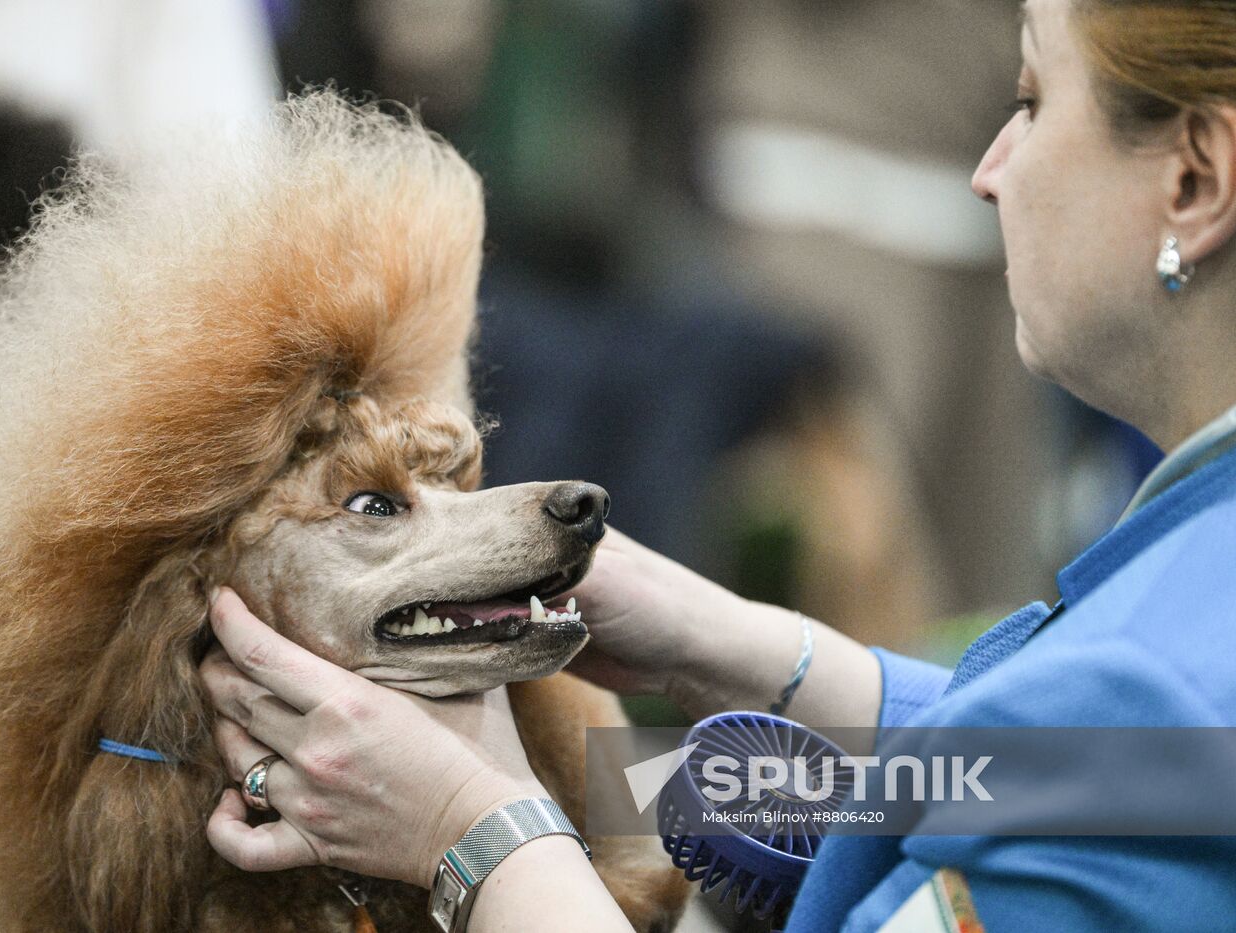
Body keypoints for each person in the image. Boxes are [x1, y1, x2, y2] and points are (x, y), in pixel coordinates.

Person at [198, 0, 1236, 928]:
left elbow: (1096, 757)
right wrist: (730, 650)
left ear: (1193, 177)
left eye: (1030, 98)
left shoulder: (1144, 680)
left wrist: (477, 837)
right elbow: (1116, 778)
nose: (989, 167)